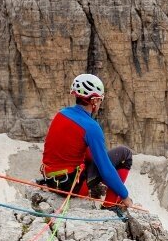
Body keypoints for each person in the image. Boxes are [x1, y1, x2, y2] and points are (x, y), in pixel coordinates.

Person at [35, 73, 131, 213]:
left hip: (51, 181)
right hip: (71, 186)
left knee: (95, 158)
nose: (99, 103)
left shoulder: (61, 114)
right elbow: (105, 169)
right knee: (124, 154)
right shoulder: (91, 127)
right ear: (94, 101)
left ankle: (110, 191)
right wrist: (125, 195)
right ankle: (110, 205)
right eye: (100, 100)